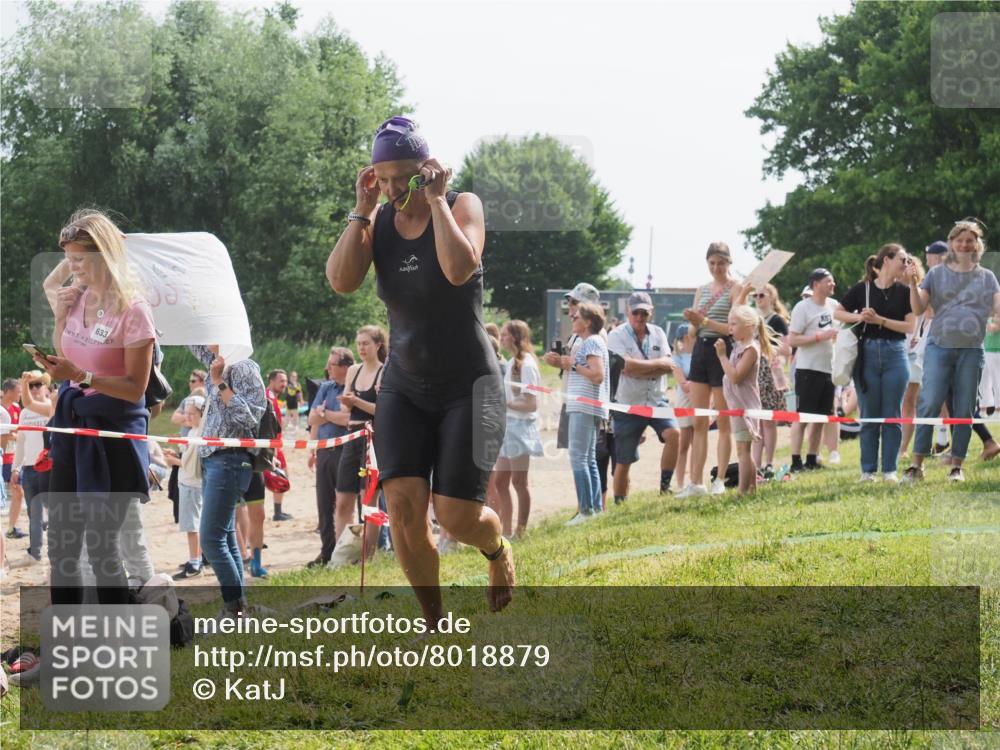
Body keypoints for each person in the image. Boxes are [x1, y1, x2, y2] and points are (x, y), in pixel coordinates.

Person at [326, 115, 513, 623]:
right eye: (382, 180)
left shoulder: (461, 205)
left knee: (456, 514)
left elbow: (458, 269)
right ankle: (434, 624)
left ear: (426, 170)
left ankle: (497, 549)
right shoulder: (378, 220)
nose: (392, 191)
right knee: (405, 510)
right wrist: (362, 210)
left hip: (468, 386)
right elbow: (341, 281)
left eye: (402, 179)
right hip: (405, 387)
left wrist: (435, 201)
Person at [33, 209, 155, 605]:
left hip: (113, 434)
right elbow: (66, 354)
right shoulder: (76, 298)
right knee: (61, 545)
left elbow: (135, 389)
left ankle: (120, 631)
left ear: (105, 255)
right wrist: (60, 320)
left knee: (103, 548)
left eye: (79, 259)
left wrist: (83, 377)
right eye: (67, 258)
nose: (72, 267)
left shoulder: (134, 310)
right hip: (71, 428)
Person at [904, 220, 1000, 482]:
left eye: (970, 240)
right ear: (952, 243)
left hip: (971, 349)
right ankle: (916, 466)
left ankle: (957, 466)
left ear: (977, 245)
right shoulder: (936, 274)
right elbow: (918, 309)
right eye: (960, 240)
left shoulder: (987, 277)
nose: (965, 244)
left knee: (964, 409)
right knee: (930, 402)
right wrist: (912, 283)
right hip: (939, 346)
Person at [188, 344, 267, 618]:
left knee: (211, 539)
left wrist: (219, 381)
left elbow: (250, 417)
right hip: (214, 460)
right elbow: (191, 337)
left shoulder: (245, 367)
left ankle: (235, 608)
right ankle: (238, 606)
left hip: (230, 460)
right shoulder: (216, 360)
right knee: (226, 536)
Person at [834, 245, 916, 482]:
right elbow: (838, 313)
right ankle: (868, 471)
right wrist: (860, 317)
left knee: (892, 415)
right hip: (867, 354)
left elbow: (910, 326)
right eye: (902, 259)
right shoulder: (862, 289)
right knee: (869, 415)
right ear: (886, 260)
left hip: (896, 354)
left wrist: (879, 320)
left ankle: (889, 470)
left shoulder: (904, 291)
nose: (906, 263)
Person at [680, 243, 745, 497]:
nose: (716, 268)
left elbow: (733, 327)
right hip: (700, 351)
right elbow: (693, 330)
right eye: (712, 263)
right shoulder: (702, 290)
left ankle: (720, 479)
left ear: (729, 263)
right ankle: (696, 482)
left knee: (723, 419)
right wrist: (693, 323)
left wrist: (704, 321)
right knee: (699, 420)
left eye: (721, 263)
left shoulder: (736, 288)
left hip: (721, 350)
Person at [607, 292, 679, 502]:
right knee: (624, 460)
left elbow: (669, 366)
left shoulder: (658, 332)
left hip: (656, 399)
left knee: (674, 434)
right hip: (628, 403)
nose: (640, 317)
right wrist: (657, 366)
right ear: (628, 311)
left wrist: (640, 369)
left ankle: (665, 487)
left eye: (644, 313)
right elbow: (626, 366)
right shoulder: (616, 335)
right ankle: (620, 502)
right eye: (636, 312)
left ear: (651, 313)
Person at [337, 326, 386, 560]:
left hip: (373, 439)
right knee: (343, 499)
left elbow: (383, 410)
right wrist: (348, 401)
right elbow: (344, 407)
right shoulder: (353, 370)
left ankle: (368, 555)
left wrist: (356, 401)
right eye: (359, 344)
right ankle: (341, 555)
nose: (361, 348)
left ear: (378, 345)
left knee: (370, 500)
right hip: (352, 436)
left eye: (366, 343)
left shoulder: (384, 372)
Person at [560, 302, 610, 524]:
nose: (572, 318)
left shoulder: (591, 342)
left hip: (584, 406)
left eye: (576, 317)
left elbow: (597, 375)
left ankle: (586, 510)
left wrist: (573, 365)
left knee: (578, 458)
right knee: (588, 458)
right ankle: (594, 509)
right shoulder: (593, 341)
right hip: (589, 405)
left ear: (588, 322)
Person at [787, 268, 839, 472]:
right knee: (803, 417)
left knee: (821, 417)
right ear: (816, 284)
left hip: (829, 369)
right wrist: (819, 337)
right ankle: (795, 460)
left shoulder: (834, 305)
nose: (833, 284)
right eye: (828, 281)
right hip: (808, 369)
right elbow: (792, 339)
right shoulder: (803, 307)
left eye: (832, 281)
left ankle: (812, 458)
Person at [716, 305, 772, 495]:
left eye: (734, 324)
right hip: (737, 406)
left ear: (748, 326)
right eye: (729, 324)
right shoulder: (739, 347)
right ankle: (752, 488)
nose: (730, 328)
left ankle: (742, 490)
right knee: (744, 450)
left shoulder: (750, 350)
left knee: (743, 451)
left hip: (745, 407)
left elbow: (735, 377)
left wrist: (722, 357)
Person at [307, 348, 354, 567]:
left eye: (332, 364)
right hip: (325, 451)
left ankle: (348, 551)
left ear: (345, 367)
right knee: (324, 504)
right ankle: (327, 551)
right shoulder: (325, 388)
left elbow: (347, 419)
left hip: (347, 451)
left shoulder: (353, 388)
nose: (328, 368)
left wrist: (324, 414)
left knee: (347, 505)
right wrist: (313, 449)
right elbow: (311, 419)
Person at [495, 321, 543, 538]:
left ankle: (520, 531)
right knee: (500, 481)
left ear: (515, 337)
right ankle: (505, 530)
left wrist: (506, 404)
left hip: (521, 427)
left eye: (505, 334)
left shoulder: (527, 364)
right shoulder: (512, 362)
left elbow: (531, 403)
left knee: (519, 481)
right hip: (509, 426)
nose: (502, 338)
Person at [749, 284, 791, 476]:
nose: (758, 298)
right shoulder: (751, 318)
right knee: (756, 420)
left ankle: (769, 462)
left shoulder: (777, 320)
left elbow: (787, 348)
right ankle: (756, 464)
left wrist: (766, 346)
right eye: (756, 295)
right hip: (754, 372)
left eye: (762, 295)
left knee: (769, 421)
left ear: (772, 298)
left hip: (771, 373)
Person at [11, 371, 53, 564]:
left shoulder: (52, 408)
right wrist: (15, 468)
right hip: (29, 469)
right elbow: (21, 442)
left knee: (56, 513)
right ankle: (35, 553)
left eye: (38, 384)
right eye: (31, 385)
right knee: (33, 514)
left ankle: (57, 553)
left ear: (46, 386)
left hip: (49, 468)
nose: (35, 388)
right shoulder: (24, 413)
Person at [168, 395, 206, 579]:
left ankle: (195, 563)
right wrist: (175, 454)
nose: (187, 417)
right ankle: (198, 559)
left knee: (192, 526)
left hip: (192, 484)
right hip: (187, 483)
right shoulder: (192, 432)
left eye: (191, 414)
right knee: (193, 525)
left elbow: (194, 466)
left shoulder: (200, 435)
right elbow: (187, 458)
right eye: (186, 413)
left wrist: (173, 461)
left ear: (202, 415)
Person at [900, 256, 928, 461]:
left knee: (909, 402)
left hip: (913, 354)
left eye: (912, 267)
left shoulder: (921, 292)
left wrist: (920, 334)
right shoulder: (886, 292)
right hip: (891, 352)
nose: (907, 271)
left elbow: (930, 317)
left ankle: (902, 448)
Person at [670, 324, 696, 491]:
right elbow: (683, 383)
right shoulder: (677, 357)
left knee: (697, 442)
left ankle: (694, 479)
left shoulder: (699, 354)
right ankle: (680, 483)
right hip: (685, 401)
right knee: (684, 443)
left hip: (698, 399)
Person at [2, 379, 25, 539]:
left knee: (18, 491)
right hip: (3, 457)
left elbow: (17, 432)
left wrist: (14, 436)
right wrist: (15, 436)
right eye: (18, 392)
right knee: (17, 491)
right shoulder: (2, 411)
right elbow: (4, 436)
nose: (20, 395)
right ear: (9, 392)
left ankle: (11, 528)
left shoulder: (16, 408)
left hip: (12, 457)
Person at [284, 371, 303, 436]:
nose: (294, 378)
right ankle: (284, 428)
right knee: (287, 415)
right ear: (290, 377)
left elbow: (299, 393)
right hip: (289, 401)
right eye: (292, 376)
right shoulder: (287, 383)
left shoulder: (298, 384)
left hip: (295, 401)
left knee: (295, 415)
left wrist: (301, 400)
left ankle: (295, 427)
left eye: (295, 376)